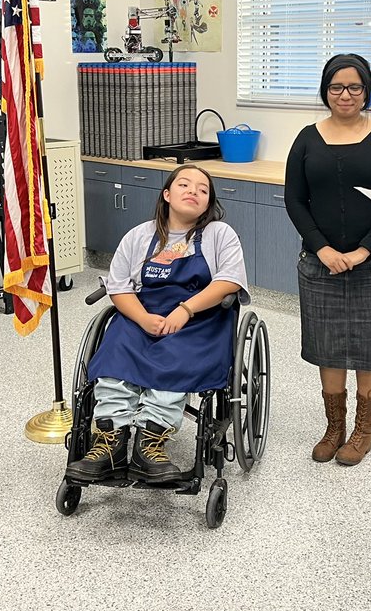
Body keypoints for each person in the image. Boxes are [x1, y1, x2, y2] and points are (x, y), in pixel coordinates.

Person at [65, 165, 248, 484]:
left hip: (199, 319)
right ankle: (110, 445)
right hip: (143, 313)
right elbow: (119, 287)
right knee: (115, 359)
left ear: (207, 203)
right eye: (185, 184)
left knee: (173, 361)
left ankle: (149, 447)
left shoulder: (220, 234)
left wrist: (185, 310)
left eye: (203, 190)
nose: (194, 191)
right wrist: (142, 318)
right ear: (166, 194)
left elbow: (229, 281)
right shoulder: (139, 236)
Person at [285, 53, 371, 466]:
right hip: (320, 264)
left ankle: (362, 431)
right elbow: (294, 200)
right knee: (329, 347)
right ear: (325, 90)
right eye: (337, 86)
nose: (345, 94)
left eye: (355, 87)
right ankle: (334, 426)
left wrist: (361, 251)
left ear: (366, 90)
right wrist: (321, 247)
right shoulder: (306, 138)